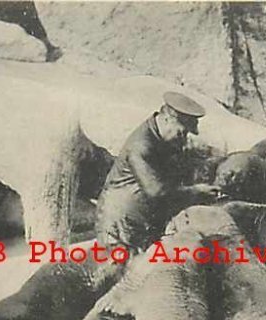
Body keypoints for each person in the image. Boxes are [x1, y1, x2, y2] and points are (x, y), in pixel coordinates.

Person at [95, 92, 221, 253]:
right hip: (119, 224)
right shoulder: (141, 145)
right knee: (116, 272)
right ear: (167, 119)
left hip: (140, 222)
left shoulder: (162, 138)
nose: (183, 139)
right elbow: (156, 191)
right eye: (181, 132)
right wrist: (195, 192)